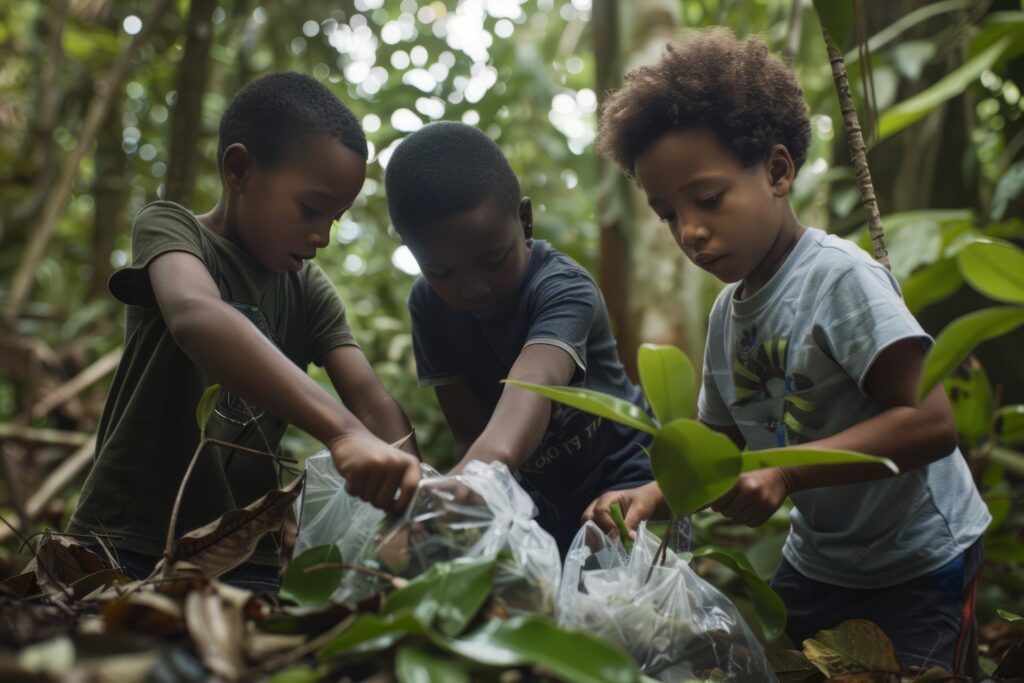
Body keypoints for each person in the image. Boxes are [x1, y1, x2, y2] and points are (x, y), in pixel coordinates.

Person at [589, 29, 991, 674]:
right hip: (821, 560)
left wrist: (786, 472)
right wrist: (653, 494)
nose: (689, 231)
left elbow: (931, 422)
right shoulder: (728, 314)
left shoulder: (839, 278)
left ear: (777, 171)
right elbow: (717, 444)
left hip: (918, 559)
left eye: (708, 199)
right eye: (667, 213)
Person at [67, 72, 421, 591]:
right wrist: (342, 432)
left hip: (243, 560)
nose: (321, 235)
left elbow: (370, 401)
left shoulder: (308, 288)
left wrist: (413, 488)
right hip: (126, 538)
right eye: (310, 209)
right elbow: (196, 316)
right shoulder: (173, 231)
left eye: (335, 219)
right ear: (239, 170)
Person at [384, 121, 671, 554]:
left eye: (492, 259)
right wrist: (468, 497)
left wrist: (464, 482)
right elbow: (471, 435)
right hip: (536, 498)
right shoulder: (428, 306)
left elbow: (532, 385)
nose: (471, 286)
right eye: (441, 271)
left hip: (627, 476)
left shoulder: (564, 289)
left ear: (524, 219)